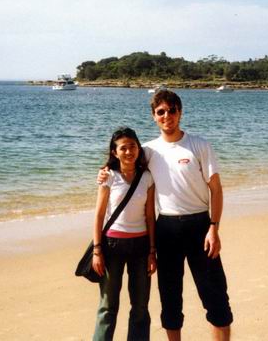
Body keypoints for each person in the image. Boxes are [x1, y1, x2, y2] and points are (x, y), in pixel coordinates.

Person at [98, 90, 233, 340]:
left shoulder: (199, 145)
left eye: (172, 110)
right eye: (161, 112)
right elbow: (123, 165)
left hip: (200, 226)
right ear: (153, 116)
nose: (167, 115)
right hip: (166, 229)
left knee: (215, 296)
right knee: (170, 298)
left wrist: (214, 227)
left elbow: (216, 189)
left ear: (180, 112)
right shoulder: (148, 150)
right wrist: (104, 172)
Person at [91, 127, 157, 341]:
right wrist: (97, 250)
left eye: (132, 146)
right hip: (112, 246)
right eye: (123, 148)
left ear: (139, 148)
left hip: (140, 246)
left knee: (140, 307)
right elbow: (99, 215)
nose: (129, 151)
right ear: (114, 152)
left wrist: (152, 251)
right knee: (108, 307)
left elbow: (149, 216)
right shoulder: (108, 176)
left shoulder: (146, 177)